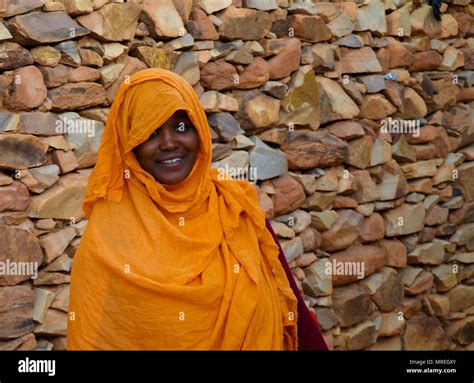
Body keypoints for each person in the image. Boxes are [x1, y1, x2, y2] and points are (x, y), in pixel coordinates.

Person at [67, 68, 327, 351]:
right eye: (150, 131)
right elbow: (96, 338)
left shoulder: (235, 209)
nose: (169, 143)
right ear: (129, 145)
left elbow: (295, 318)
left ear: (200, 132)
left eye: (182, 127)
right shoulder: (107, 241)